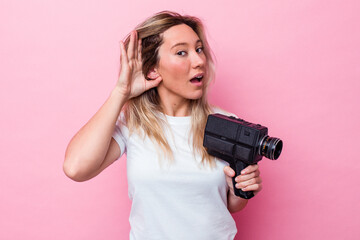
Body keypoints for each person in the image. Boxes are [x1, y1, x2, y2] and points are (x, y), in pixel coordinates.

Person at [63, 10, 262, 240]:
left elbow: (230, 206)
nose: (199, 61)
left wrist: (242, 190)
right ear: (153, 69)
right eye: (181, 52)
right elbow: (75, 168)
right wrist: (121, 93)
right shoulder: (133, 123)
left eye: (199, 49)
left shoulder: (227, 125)